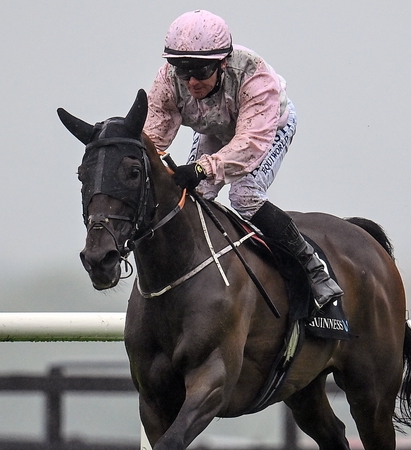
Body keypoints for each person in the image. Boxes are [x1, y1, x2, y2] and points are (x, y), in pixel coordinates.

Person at [143, 10, 342, 310]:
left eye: (201, 71)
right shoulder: (168, 81)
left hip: (268, 126)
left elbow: (249, 143)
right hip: (217, 127)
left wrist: (200, 168)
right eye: (183, 71)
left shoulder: (255, 76)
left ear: (222, 63)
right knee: (193, 194)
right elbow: (152, 139)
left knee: (245, 195)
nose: (192, 82)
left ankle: (312, 267)